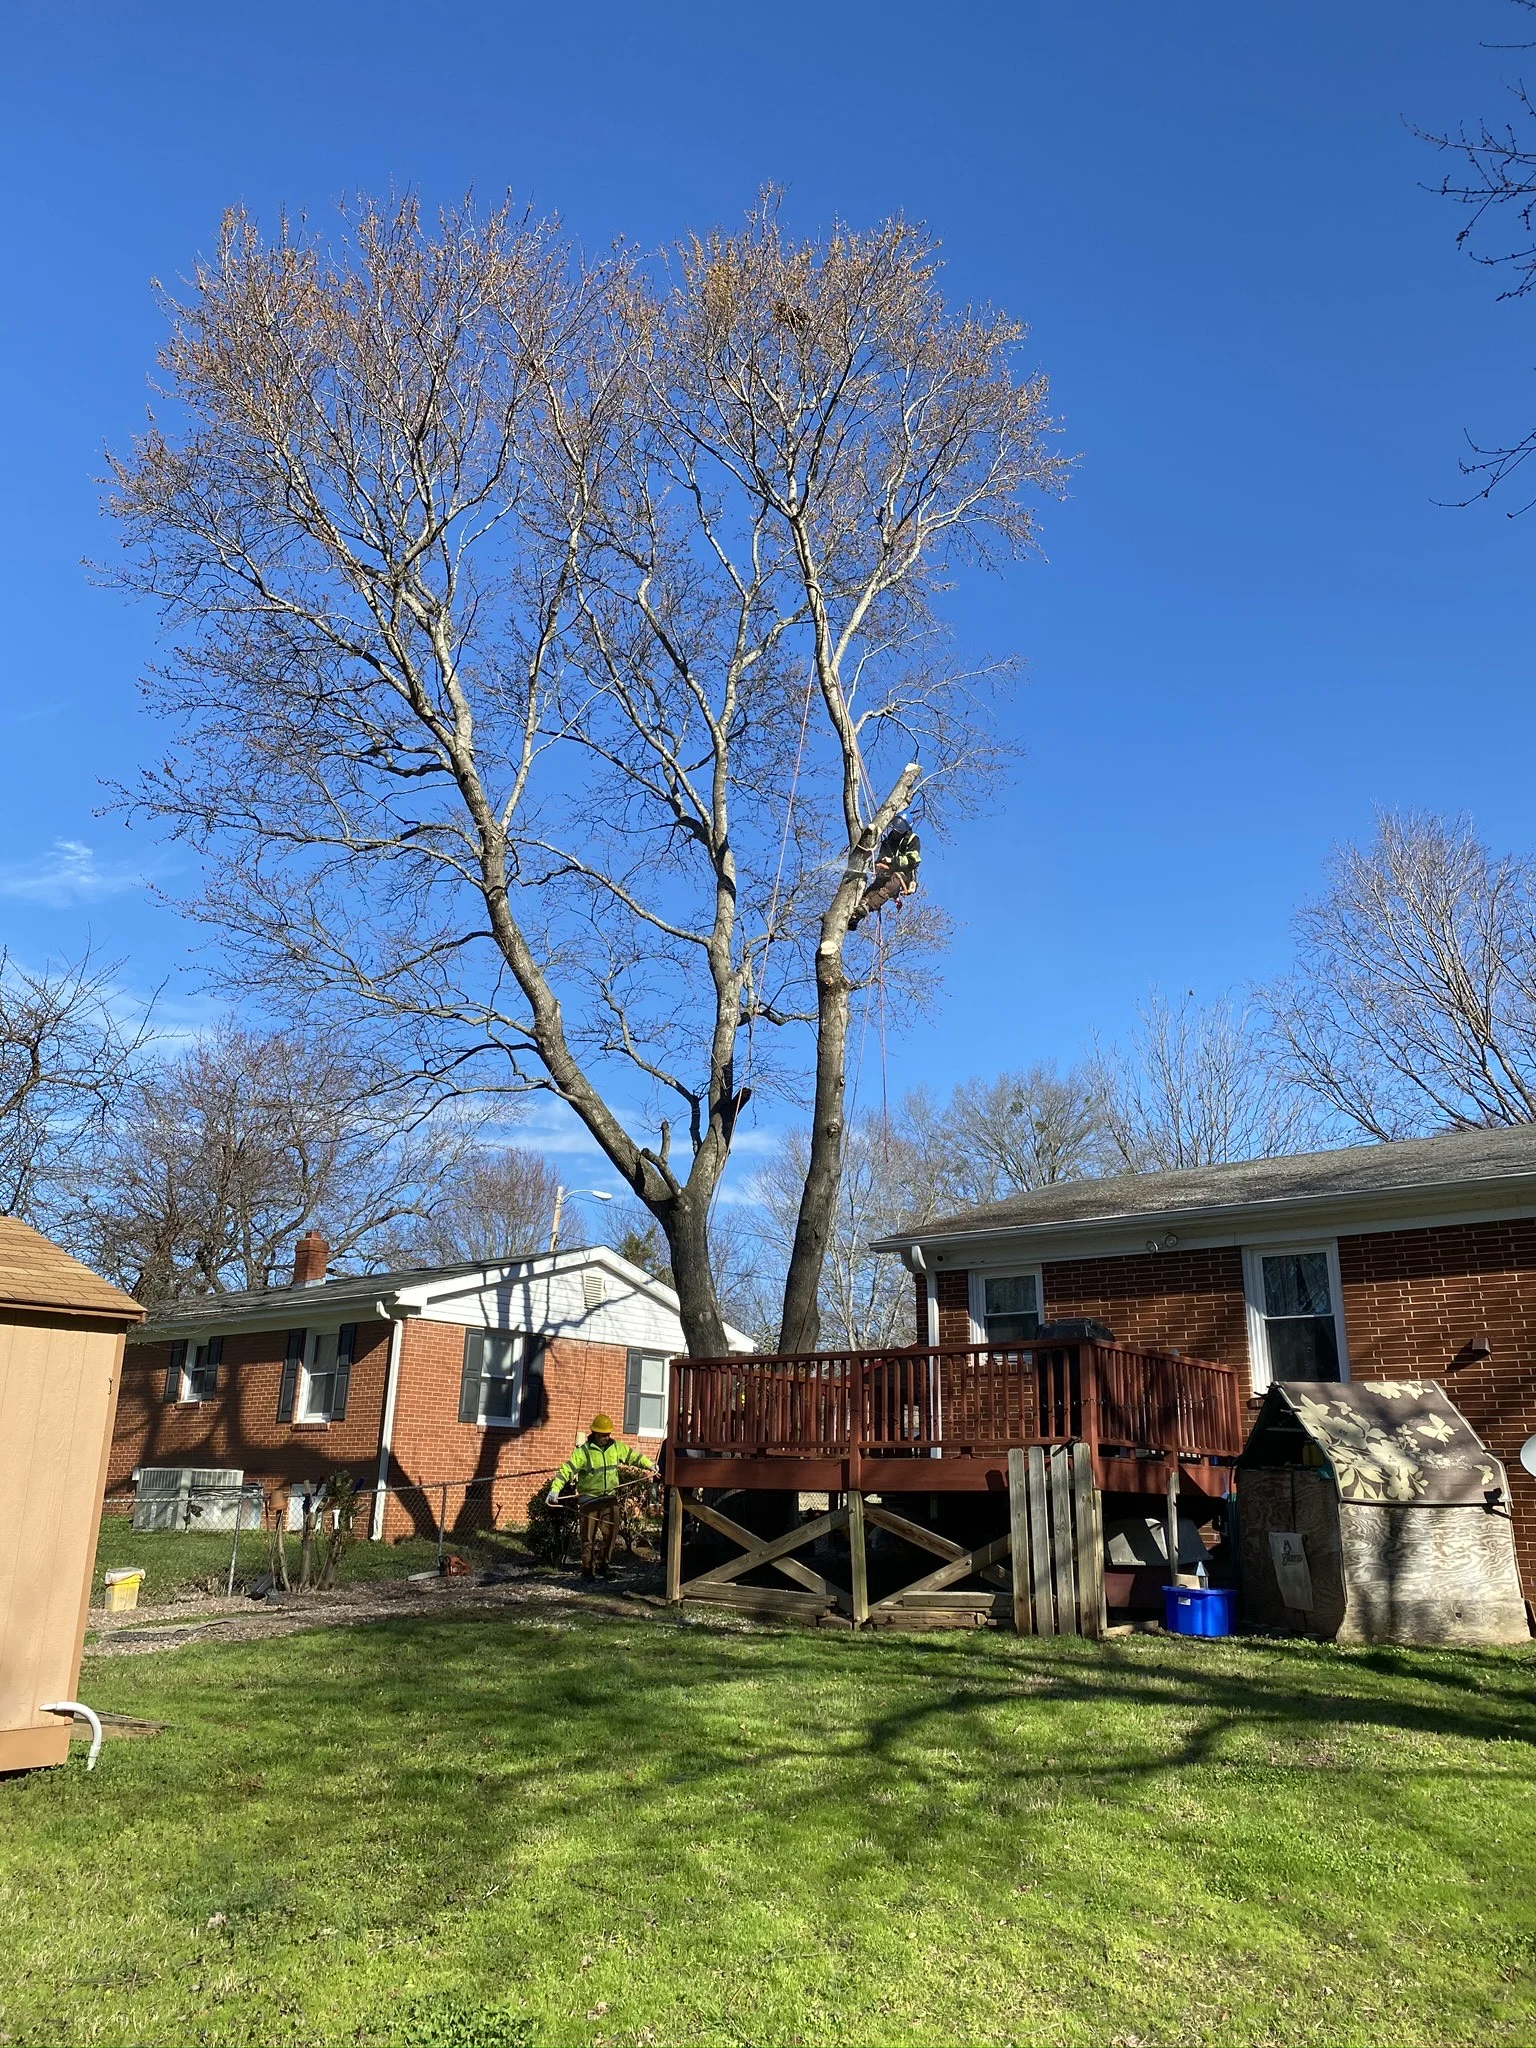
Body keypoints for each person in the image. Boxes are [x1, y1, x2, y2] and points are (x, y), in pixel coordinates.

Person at [553, 1414, 654, 1580]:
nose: (606, 1438)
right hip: (589, 1500)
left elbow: (633, 1456)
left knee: (612, 1533)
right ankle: (587, 1569)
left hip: (609, 1499)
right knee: (588, 1537)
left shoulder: (616, 1447)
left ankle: (603, 1565)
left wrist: (649, 1464)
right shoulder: (583, 1452)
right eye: (603, 1435)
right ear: (594, 1433)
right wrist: (555, 1490)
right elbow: (567, 1470)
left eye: (608, 1434)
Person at [848, 814, 921, 929]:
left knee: (891, 885)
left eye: (900, 828)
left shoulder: (912, 840)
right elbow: (881, 857)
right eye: (896, 826)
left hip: (903, 874)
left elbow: (913, 860)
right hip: (887, 871)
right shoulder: (888, 840)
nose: (896, 831)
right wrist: (877, 865)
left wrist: (892, 860)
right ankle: (856, 915)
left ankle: (868, 907)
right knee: (875, 887)